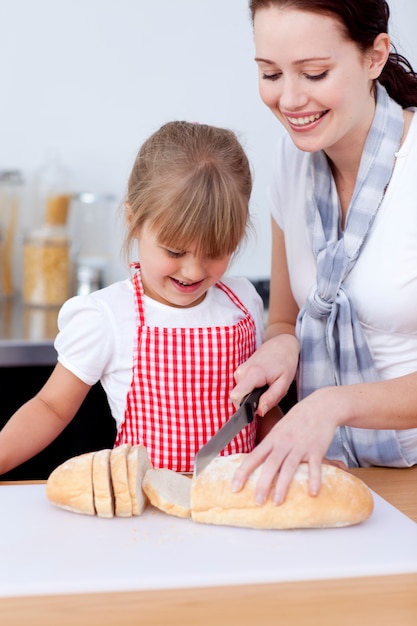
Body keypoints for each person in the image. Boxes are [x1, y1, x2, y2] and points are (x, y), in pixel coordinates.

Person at [0, 121, 279, 476]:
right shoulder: (108, 316)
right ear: (134, 221)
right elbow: (50, 407)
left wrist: (292, 454)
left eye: (216, 251)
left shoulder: (243, 302)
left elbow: (260, 408)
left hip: (235, 502)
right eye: (175, 251)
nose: (193, 271)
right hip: (145, 512)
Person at [230, 0, 417, 505]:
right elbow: (285, 321)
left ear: (375, 56)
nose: (290, 99)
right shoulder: (289, 162)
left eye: (314, 73)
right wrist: (280, 346)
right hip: (336, 479)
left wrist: (335, 405)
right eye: (270, 73)